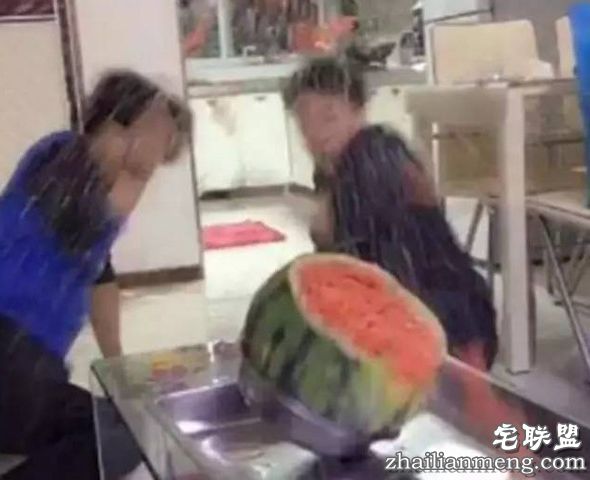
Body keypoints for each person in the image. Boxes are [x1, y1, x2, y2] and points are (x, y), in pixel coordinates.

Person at [0, 70, 192, 479]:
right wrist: (135, 175)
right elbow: (90, 224)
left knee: (122, 424)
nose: (152, 162)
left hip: (24, 369)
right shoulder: (61, 153)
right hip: (11, 353)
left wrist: (118, 370)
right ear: (113, 124)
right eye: (153, 144)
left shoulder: (79, 188)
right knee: (124, 436)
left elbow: (100, 274)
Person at [284, 58, 498, 371]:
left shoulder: (371, 155)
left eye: (329, 117)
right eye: (305, 123)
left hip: (446, 330)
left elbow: (384, 272)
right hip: (446, 319)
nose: (316, 133)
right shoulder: (335, 167)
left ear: (358, 110)